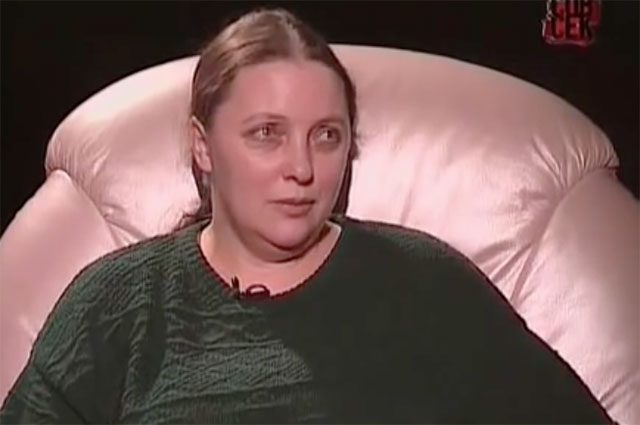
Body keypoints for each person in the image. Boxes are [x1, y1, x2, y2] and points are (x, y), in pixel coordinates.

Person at [0, 7, 614, 424]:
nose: (302, 168)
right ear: (203, 147)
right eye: (267, 134)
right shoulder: (116, 305)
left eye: (326, 136)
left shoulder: (429, 286)